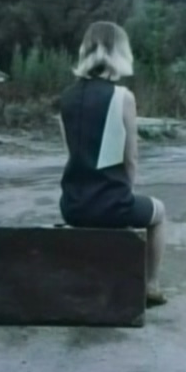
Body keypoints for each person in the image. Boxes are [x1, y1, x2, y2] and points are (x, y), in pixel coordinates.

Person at [56, 21, 167, 307]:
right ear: (118, 52)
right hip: (112, 206)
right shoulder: (122, 97)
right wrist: (123, 194)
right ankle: (152, 285)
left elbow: (71, 154)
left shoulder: (65, 99)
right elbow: (130, 159)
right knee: (159, 212)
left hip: (72, 207)